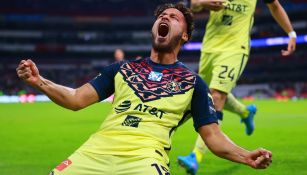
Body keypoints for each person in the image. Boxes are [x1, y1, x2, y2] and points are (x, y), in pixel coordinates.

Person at [16, 3, 272, 175]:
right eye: (162, 16)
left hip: (145, 161)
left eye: (174, 18)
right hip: (93, 153)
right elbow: (75, 99)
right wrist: (39, 81)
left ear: (184, 35)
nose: (165, 18)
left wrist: (246, 156)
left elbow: (213, 137)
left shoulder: (193, 83)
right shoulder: (121, 69)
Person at [177, 0, 296, 174]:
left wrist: (291, 33)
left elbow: (275, 6)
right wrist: (204, 3)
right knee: (206, 93)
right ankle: (245, 112)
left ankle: (195, 156)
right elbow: (193, 4)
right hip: (210, 47)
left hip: (235, 48)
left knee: (216, 96)